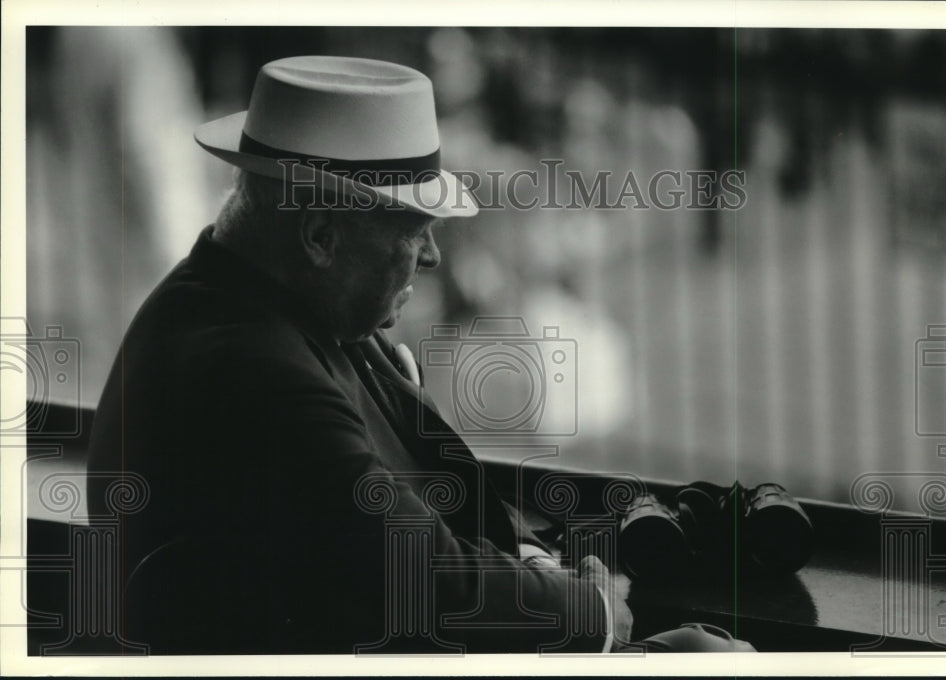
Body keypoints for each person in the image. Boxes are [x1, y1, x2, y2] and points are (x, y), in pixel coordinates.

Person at [86, 55, 752, 654]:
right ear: (320, 234)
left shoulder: (267, 309)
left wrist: (536, 564)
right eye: (413, 232)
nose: (432, 257)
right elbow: (426, 575)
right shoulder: (256, 369)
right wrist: (591, 610)